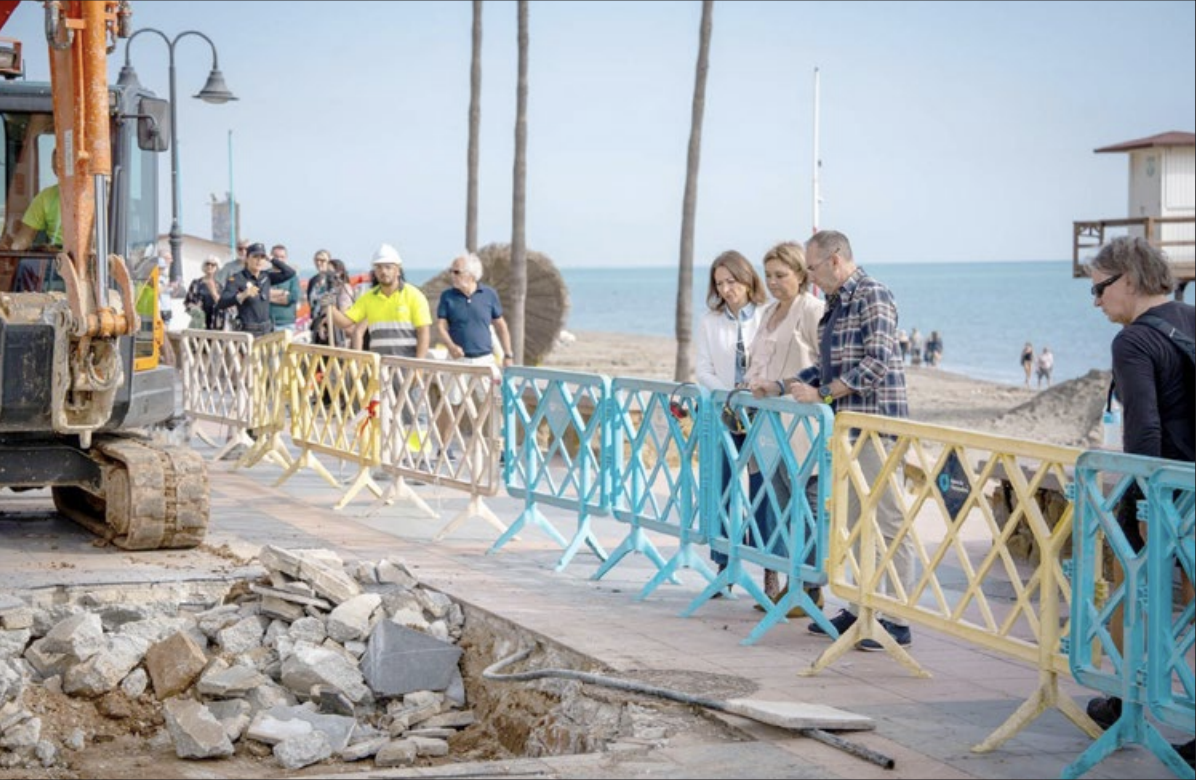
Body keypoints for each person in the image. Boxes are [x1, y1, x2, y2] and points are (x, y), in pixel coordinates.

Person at [1084, 236, 1195, 758]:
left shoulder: (1132, 341)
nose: (1097, 300)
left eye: (1100, 288)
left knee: (1133, 595)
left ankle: (1125, 700)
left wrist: (1144, 510)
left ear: (1128, 280)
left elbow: (1143, 432)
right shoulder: (1191, 318)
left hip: (1166, 488)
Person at [787, 230, 914, 651]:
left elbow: (877, 361)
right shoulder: (835, 304)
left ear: (836, 260)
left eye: (812, 268)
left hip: (878, 425)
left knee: (888, 520)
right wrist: (784, 384)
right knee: (857, 522)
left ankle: (896, 616)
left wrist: (822, 394)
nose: (810, 278)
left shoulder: (873, 294)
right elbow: (828, 369)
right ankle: (863, 606)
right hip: (848, 426)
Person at [743, 241, 824, 613]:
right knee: (776, 502)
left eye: (781, 275)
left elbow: (824, 363)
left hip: (800, 424)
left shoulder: (812, 309)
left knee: (804, 503)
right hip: (768, 423)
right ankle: (783, 580)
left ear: (801, 274)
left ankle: (808, 588)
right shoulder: (767, 313)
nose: (773, 282)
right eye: (769, 275)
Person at [694, 250, 766, 586]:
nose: (726, 289)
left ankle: (769, 567)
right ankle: (724, 566)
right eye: (720, 283)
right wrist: (728, 395)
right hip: (724, 412)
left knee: (763, 488)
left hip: (764, 414)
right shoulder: (710, 321)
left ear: (747, 278)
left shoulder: (768, 315)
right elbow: (703, 369)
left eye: (731, 281)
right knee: (722, 485)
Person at [434, 251, 514, 460]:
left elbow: (501, 325)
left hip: (484, 359)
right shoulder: (448, 296)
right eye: (452, 271)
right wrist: (450, 346)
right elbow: (441, 326)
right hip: (458, 359)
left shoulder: (488, 295)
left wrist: (508, 354)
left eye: (456, 271)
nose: (452, 274)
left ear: (470, 275)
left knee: (494, 403)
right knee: (450, 404)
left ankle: (500, 448)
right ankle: (444, 447)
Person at [325, 243, 431, 358]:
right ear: (374, 271)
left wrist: (418, 369)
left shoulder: (414, 295)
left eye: (388, 267)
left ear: (398, 271)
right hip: (380, 368)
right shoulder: (369, 297)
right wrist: (330, 305)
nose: (383, 271)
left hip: (407, 367)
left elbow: (423, 332)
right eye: (379, 267)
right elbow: (344, 322)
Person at [216, 242, 297, 337]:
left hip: (266, 330)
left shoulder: (266, 277)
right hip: (248, 331)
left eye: (262, 257)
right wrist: (242, 295)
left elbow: (290, 273)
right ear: (247, 259)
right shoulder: (237, 278)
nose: (259, 260)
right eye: (255, 257)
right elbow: (221, 303)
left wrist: (271, 259)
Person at [0, 149, 62, 251]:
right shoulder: (45, 197)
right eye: (56, 167)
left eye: (64, 166)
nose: (59, 171)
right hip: (58, 259)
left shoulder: (96, 194)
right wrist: (12, 248)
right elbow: (25, 236)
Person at [310, 258, 356, 348]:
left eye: (331, 272)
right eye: (327, 272)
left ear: (340, 273)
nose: (329, 275)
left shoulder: (344, 289)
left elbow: (343, 313)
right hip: (329, 335)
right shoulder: (328, 290)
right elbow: (323, 310)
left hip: (341, 335)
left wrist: (324, 321)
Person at [184, 255, 226, 330]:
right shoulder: (196, 283)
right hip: (199, 322)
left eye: (213, 265)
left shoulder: (220, 286)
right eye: (207, 264)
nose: (210, 266)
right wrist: (195, 309)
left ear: (217, 268)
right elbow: (187, 302)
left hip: (215, 322)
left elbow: (223, 304)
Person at [268, 244, 301, 333]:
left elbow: (294, 297)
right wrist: (283, 293)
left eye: (282, 257)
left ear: (286, 258)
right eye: (276, 257)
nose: (278, 260)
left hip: (286, 324)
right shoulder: (264, 275)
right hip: (267, 324)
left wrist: (269, 297)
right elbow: (259, 294)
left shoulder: (292, 277)